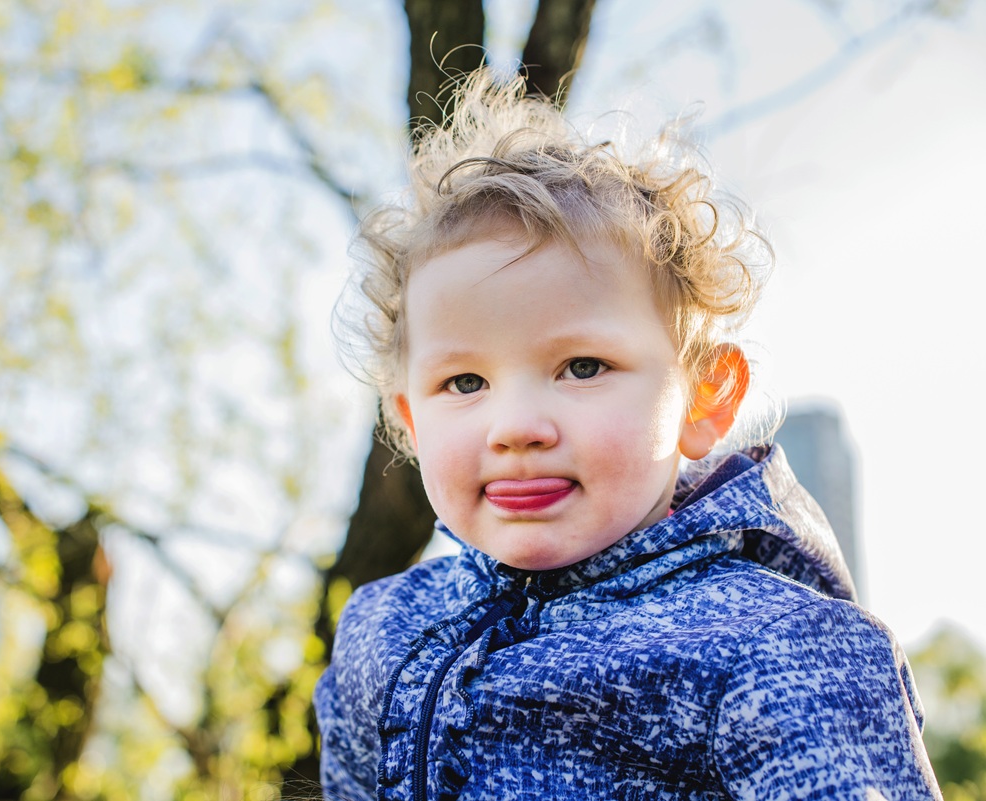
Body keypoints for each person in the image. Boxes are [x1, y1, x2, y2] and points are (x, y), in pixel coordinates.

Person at [316, 68, 939, 801]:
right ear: (411, 422)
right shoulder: (382, 630)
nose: (515, 427)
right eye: (465, 383)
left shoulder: (777, 645)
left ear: (704, 396)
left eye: (583, 366)